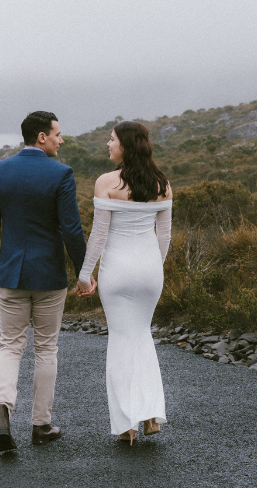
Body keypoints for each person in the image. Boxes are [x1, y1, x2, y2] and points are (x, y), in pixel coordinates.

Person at [0, 110, 91, 452]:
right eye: (57, 134)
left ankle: (2, 407)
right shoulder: (61, 173)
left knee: (10, 346)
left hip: (11, 273)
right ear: (42, 137)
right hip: (48, 276)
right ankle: (41, 425)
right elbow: (71, 229)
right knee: (46, 348)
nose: (61, 140)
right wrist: (84, 273)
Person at [75, 121, 172, 445]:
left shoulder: (106, 182)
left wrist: (84, 274)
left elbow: (99, 236)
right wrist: (154, 268)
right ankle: (150, 414)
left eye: (112, 139)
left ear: (125, 146)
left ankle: (126, 424)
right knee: (142, 335)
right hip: (149, 271)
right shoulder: (162, 184)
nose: (108, 143)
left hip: (117, 272)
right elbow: (164, 236)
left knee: (120, 340)